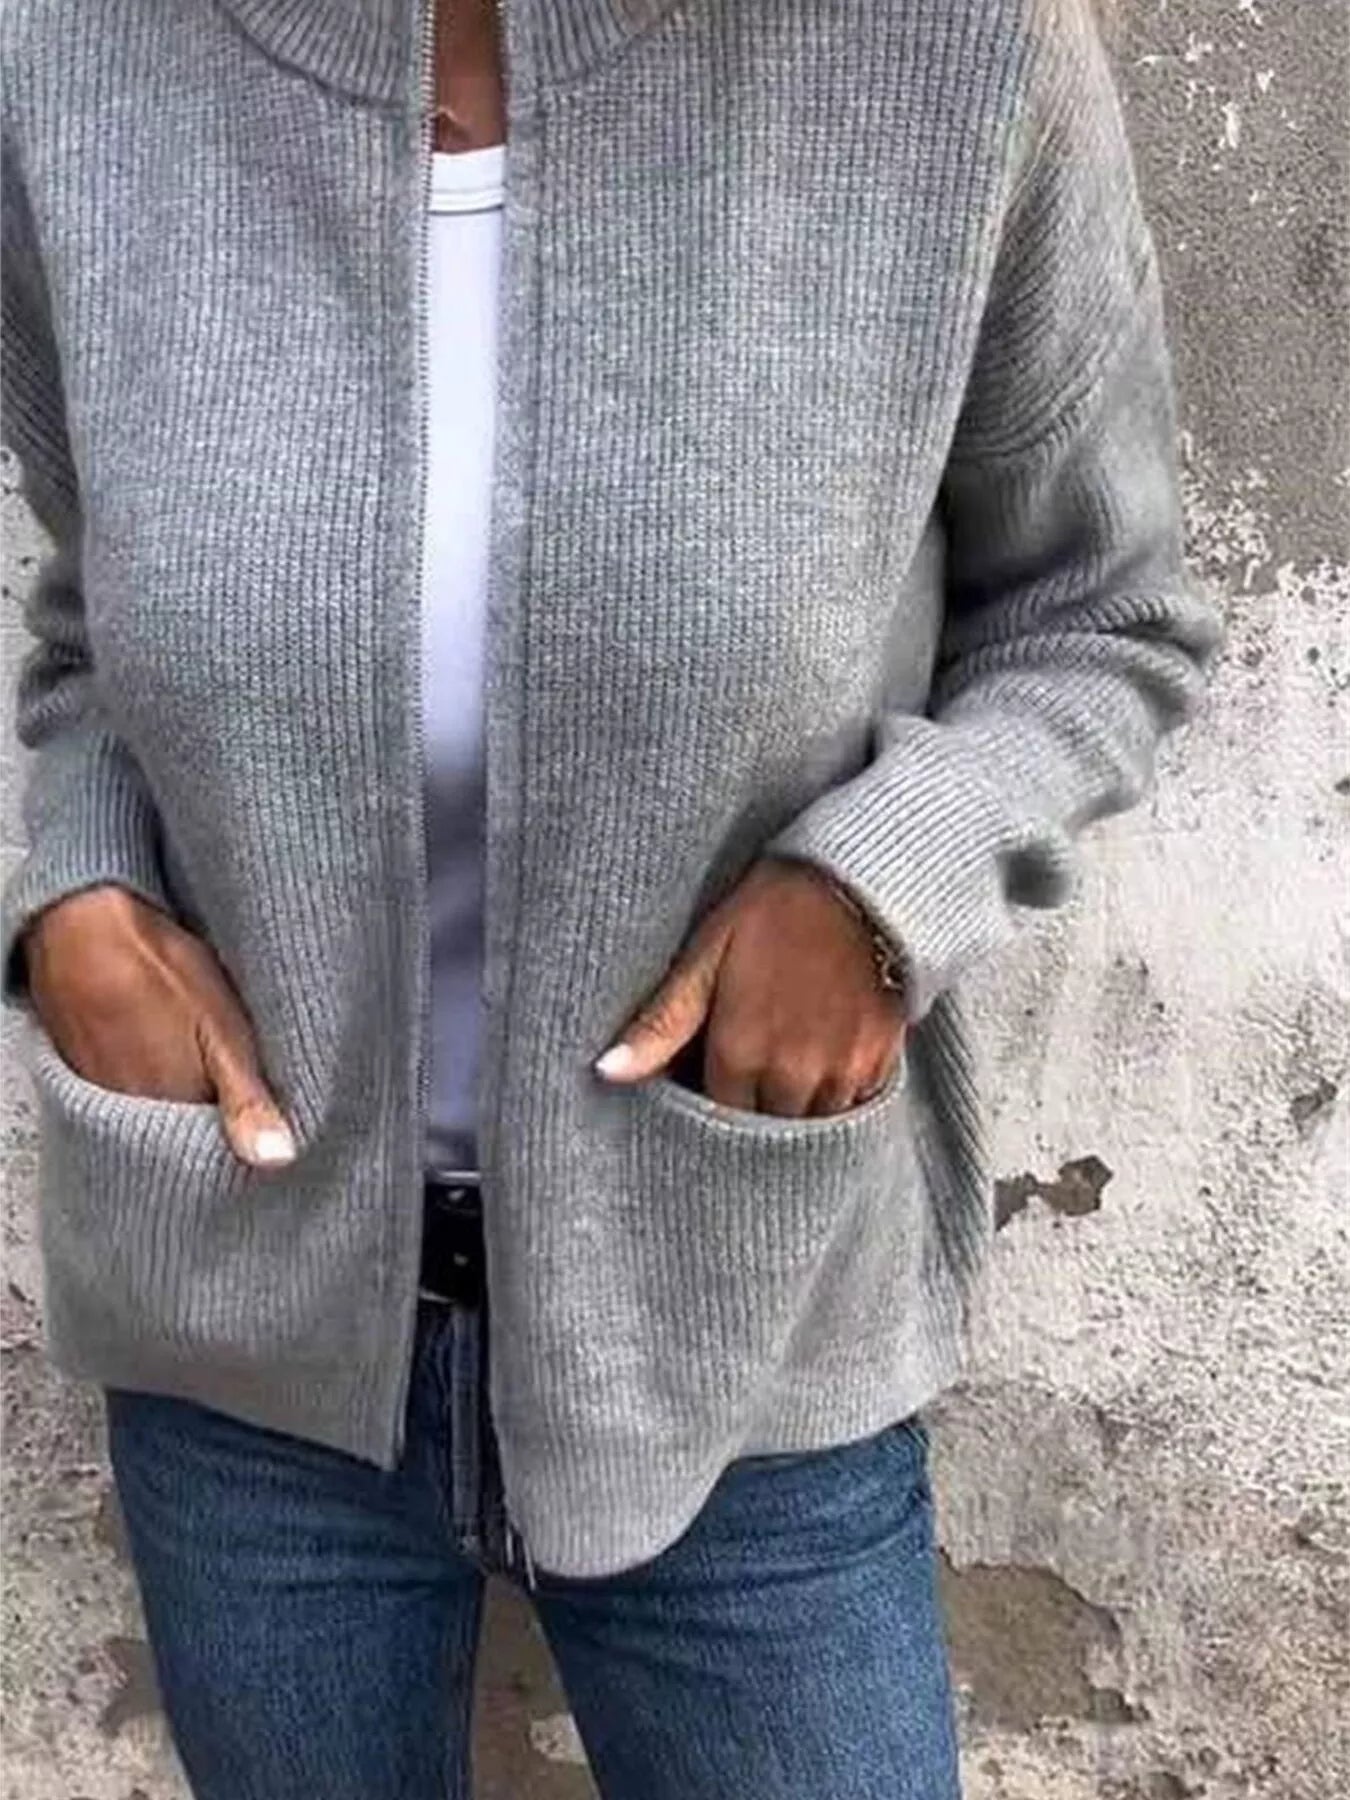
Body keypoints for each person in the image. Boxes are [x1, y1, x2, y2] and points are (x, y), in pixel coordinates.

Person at [0, 0, 1220, 1795]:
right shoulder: (76, 58)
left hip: (738, 1321)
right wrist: (78, 899)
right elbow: (94, 631)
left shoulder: (950, 54)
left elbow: (1101, 620)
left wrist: (881, 883)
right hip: (238, 1331)